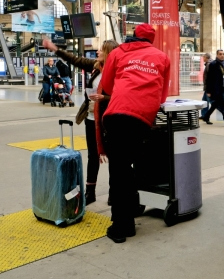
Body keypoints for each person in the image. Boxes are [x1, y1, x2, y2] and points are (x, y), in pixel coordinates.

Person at [101, 23, 171, 243]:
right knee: (128, 168)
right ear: (152, 39)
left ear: (133, 35)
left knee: (118, 170)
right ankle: (128, 219)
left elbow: (106, 86)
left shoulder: (117, 52)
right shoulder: (162, 57)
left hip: (117, 114)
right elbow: (162, 95)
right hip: (142, 119)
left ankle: (121, 227)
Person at [42, 38, 119, 205]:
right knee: (92, 156)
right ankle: (90, 192)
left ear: (109, 54)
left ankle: (114, 192)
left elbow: (122, 95)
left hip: (108, 119)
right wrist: (55, 49)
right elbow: (75, 60)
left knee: (113, 156)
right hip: (91, 118)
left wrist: (104, 97)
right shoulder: (96, 67)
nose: (97, 52)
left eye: (101, 50)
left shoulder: (117, 71)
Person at [202, 49, 224, 126]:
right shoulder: (213, 64)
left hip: (223, 87)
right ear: (217, 55)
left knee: (215, 104)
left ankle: (206, 116)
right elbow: (209, 79)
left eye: (223, 54)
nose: (222, 55)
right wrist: (208, 91)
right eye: (220, 54)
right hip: (216, 89)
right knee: (223, 105)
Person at [201, 53, 212, 118]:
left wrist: (208, 88)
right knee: (204, 100)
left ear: (206, 58)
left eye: (203, 57)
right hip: (207, 87)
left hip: (208, 87)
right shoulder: (209, 64)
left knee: (212, 102)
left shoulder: (209, 64)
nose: (203, 59)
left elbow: (209, 77)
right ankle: (204, 115)